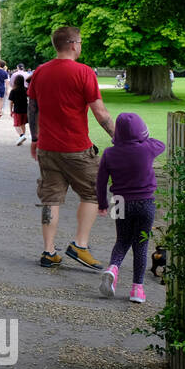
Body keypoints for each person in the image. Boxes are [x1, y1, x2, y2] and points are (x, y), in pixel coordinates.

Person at [28, 26, 116, 271]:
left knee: (51, 198)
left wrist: (35, 138)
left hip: (47, 147)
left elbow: (32, 106)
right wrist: (119, 138)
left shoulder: (40, 72)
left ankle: (49, 251)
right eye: (81, 42)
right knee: (93, 193)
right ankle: (80, 245)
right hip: (76, 147)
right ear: (74, 44)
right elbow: (100, 112)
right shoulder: (84, 72)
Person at [96, 112, 165, 304]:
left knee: (122, 240)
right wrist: (143, 137)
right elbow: (161, 144)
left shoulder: (109, 153)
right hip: (145, 202)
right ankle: (137, 289)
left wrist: (102, 203)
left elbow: (100, 182)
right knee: (141, 245)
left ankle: (113, 268)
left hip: (119, 201)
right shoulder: (147, 149)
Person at [9, 72, 29, 145]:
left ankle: (21, 136)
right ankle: (22, 137)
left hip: (17, 110)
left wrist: (11, 111)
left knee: (16, 124)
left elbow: (11, 102)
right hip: (25, 109)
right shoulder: (26, 89)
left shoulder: (13, 90)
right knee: (23, 124)